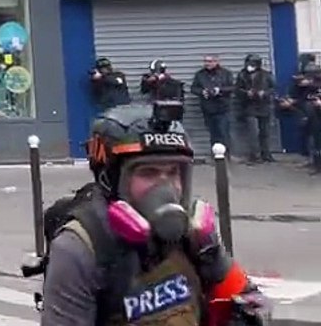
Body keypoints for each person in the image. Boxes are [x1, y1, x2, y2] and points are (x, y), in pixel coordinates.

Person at [39, 104, 268, 326]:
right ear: (110, 179)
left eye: (173, 172)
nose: (165, 186)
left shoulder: (195, 234)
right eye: (148, 173)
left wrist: (245, 314)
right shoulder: (80, 247)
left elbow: (250, 300)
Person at [235, 55, 276, 163]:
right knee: (253, 132)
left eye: (252, 64)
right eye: (248, 64)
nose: (249, 66)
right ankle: (255, 155)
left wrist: (265, 93)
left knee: (265, 132)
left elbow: (273, 89)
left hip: (264, 106)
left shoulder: (266, 75)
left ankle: (266, 154)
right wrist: (246, 93)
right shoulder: (242, 75)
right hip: (250, 106)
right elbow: (237, 90)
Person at [191, 55, 234, 151]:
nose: (207, 63)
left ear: (216, 62)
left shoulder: (226, 73)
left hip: (223, 108)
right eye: (205, 61)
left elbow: (232, 87)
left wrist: (219, 90)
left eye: (210, 61)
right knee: (213, 133)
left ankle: (227, 155)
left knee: (223, 132)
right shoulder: (200, 74)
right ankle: (215, 154)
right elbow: (193, 88)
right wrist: (202, 92)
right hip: (208, 108)